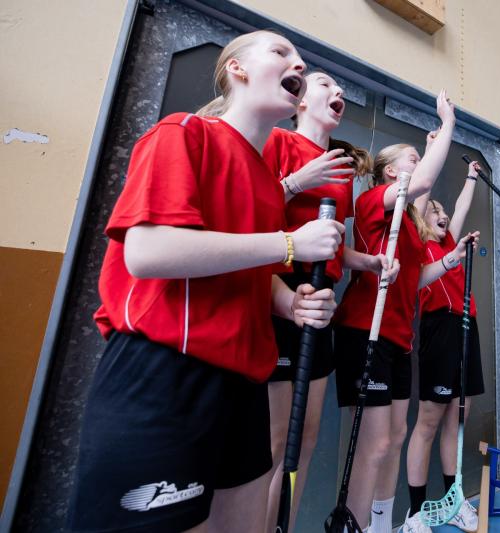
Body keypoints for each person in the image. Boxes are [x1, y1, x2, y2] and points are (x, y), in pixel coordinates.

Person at [67, 31, 343, 533]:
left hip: (243, 383)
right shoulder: (183, 133)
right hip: (167, 375)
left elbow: (246, 269)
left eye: (302, 60)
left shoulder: (266, 183)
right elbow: (148, 253)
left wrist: (290, 303)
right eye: (281, 53)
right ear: (237, 68)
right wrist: (289, 244)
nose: (299, 65)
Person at [333, 89, 479, 533]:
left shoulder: (412, 231)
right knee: (374, 445)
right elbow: (418, 185)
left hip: (399, 337)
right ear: (391, 172)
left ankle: (385, 525)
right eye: (413, 157)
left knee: (394, 438)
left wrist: (450, 261)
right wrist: (446, 127)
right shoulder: (373, 202)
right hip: (366, 330)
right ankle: (357, 525)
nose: (420, 162)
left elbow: (414, 279)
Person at [261, 70, 399, 533]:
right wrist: (296, 182)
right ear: (300, 101)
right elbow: (248, 213)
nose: (338, 91)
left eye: (341, 89)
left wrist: (371, 262)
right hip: (281, 289)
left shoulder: (340, 170)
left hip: (322, 300)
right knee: (275, 441)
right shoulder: (278, 142)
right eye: (325, 84)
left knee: (305, 438)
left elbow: (335, 246)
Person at [402, 160, 486, 533]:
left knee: (456, 417)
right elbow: (420, 200)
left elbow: (462, 207)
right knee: (428, 422)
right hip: (438, 329)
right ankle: (415, 513)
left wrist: (471, 176)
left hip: (467, 327)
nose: (443, 215)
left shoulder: (450, 241)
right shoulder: (418, 246)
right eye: (434, 211)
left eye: (443, 211)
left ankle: (454, 501)